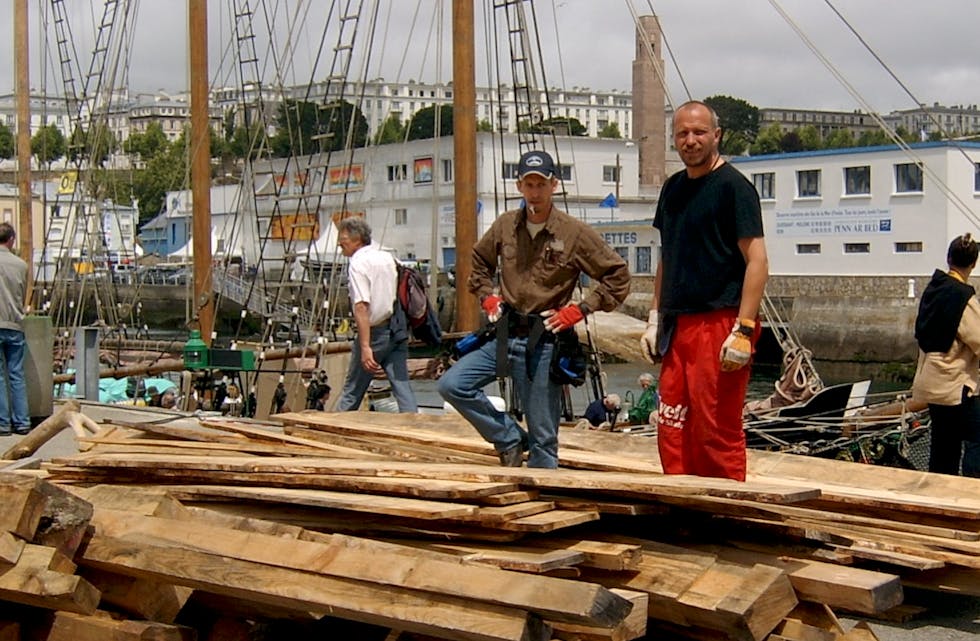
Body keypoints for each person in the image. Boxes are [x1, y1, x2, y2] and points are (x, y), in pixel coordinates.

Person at [439, 149, 630, 468]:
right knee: (452, 384)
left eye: (541, 184)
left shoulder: (573, 233)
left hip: (543, 341)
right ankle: (508, 436)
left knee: (543, 434)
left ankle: (542, 495)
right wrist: (487, 295)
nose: (535, 192)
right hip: (505, 332)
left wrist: (580, 309)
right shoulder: (504, 226)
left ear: (554, 185)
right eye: (529, 184)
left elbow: (617, 274)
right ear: (519, 187)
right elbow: (479, 261)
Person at [640, 100, 769, 482]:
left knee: (716, 426)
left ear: (716, 135)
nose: (690, 141)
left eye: (699, 132)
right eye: (682, 133)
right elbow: (669, 257)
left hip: (721, 321)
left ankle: (725, 510)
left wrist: (744, 329)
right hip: (679, 323)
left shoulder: (734, 189)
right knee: (673, 423)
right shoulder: (673, 189)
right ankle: (682, 506)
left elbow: (758, 262)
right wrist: (653, 317)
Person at [912, 234, 980, 477]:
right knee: (976, 438)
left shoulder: (933, 289)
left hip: (931, 382)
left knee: (943, 446)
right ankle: (974, 490)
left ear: (949, 258)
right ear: (973, 264)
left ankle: (938, 495)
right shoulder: (963, 297)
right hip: (954, 386)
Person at [335, 217, 417, 413]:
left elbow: (361, 306)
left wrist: (365, 346)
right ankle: (414, 425)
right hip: (397, 328)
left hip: (375, 332)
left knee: (353, 390)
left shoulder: (358, 264)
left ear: (357, 240)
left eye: (343, 239)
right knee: (402, 386)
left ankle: (335, 426)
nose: (340, 244)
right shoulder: (388, 258)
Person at [0, 222, 29, 436]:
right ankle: (22, 422)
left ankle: (3, 423)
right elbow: (23, 293)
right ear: (11, 239)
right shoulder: (21, 265)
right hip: (15, 324)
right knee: (16, 374)